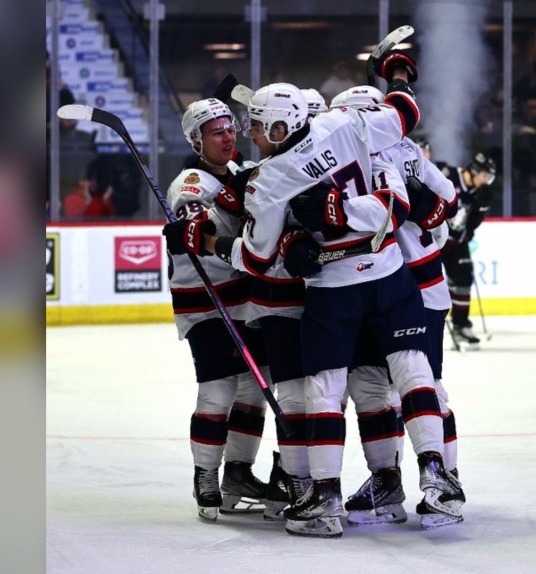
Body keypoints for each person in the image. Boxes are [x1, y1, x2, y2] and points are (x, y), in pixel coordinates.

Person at [175, 51, 463, 538]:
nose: (248, 134)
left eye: (257, 127)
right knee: (391, 380)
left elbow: (258, 256)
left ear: (282, 129)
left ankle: (326, 496)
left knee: (330, 389)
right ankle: (430, 479)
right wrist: (397, 71)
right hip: (391, 276)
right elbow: (398, 188)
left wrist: (212, 243)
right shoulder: (350, 126)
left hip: (334, 289)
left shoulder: (271, 181)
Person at [330, 86, 464, 530]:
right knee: (369, 385)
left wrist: (427, 208)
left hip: (418, 289)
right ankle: (385, 481)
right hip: (371, 287)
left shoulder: (398, 152)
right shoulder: (354, 157)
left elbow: (449, 202)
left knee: (425, 384)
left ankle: (446, 481)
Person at [160, 98, 272, 521]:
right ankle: (205, 474)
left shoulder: (243, 173)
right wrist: (193, 229)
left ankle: (238, 474)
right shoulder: (190, 182)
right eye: (216, 132)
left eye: (229, 128)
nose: (227, 136)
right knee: (218, 388)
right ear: (196, 141)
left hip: (246, 298)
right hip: (204, 302)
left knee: (255, 389)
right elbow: (193, 221)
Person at [439, 152, 496, 348]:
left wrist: (481, 209)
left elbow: (470, 226)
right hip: (434, 241)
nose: (486, 181)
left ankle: (461, 325)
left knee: (463, 278)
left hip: (457, 243)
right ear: (474, 171)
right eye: (485, 176)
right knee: (426, 283)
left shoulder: (479, 192)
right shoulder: (449, 176)